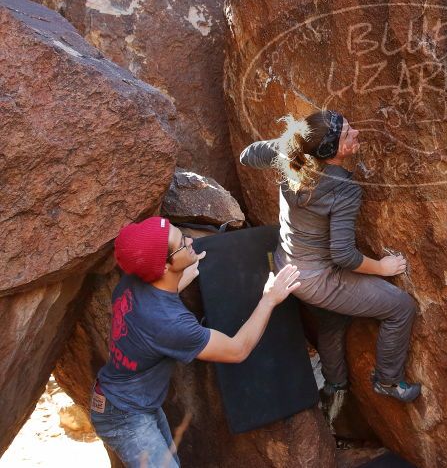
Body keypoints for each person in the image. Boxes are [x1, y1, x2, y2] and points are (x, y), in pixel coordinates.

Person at [239, 110, 422, 402]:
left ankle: (335, 385)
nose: (357, 133)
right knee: (401, 307)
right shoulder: (343, 187)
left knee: (332, 320)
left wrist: (285, 146)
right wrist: (382, 268)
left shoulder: (290, 152)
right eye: (349, 135)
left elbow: (247, 156)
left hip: (288, 268)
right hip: (317, 278)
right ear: (332, 151)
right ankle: (388, 381)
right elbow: (344, 256)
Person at [90, 216, 300, 467]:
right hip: (125, 415)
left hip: (121, 399)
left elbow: (158, 303)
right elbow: (237, 350)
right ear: (165, 267)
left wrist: (186, 267)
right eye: (182, 243)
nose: (189, 240)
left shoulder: (132, 283)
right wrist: (270, 299)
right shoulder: (171, 325)